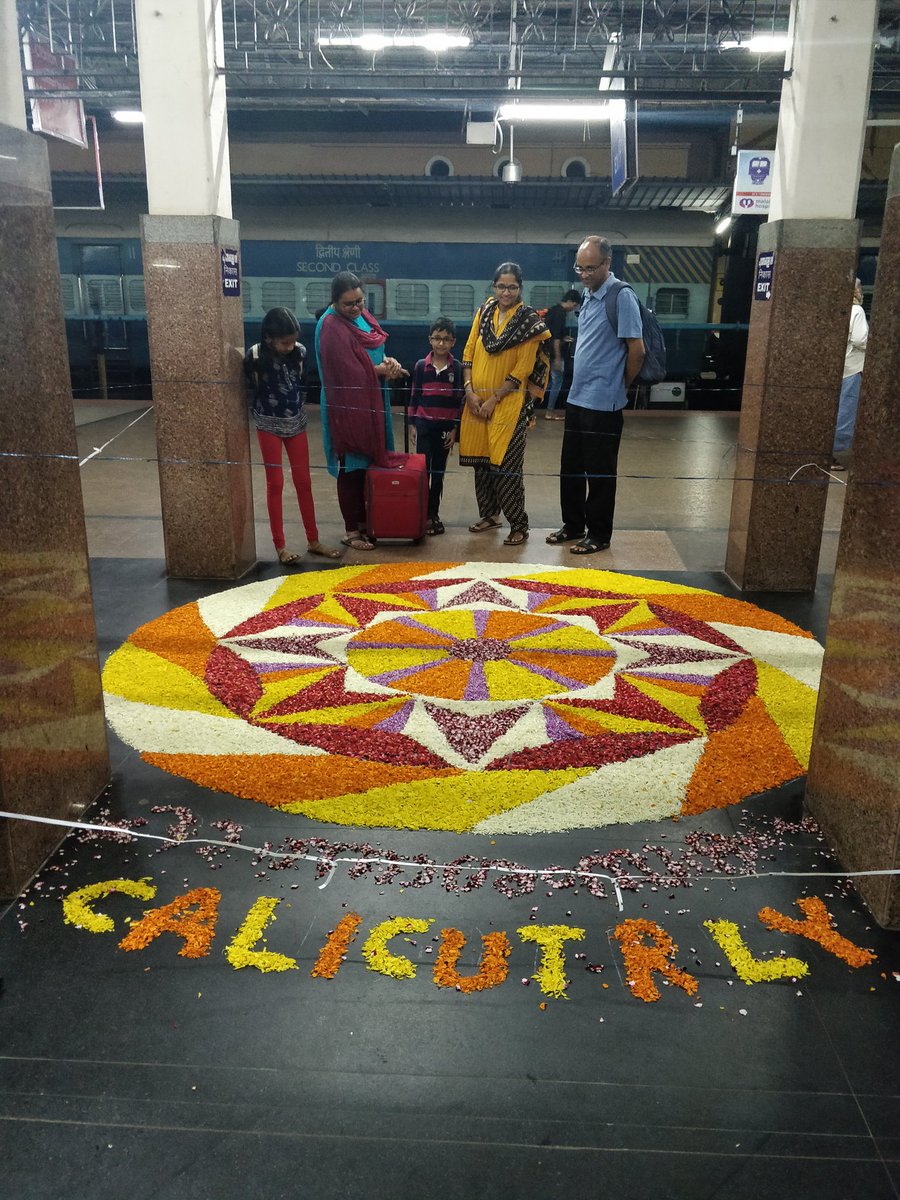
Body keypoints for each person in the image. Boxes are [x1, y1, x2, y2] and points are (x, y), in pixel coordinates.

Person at [546, 235, 644, 555]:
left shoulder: (621, 296)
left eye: (590, 268)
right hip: (577, 397)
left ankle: (599, 533)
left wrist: (621, 386)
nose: (584, 274)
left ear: (607, 263)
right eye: (580, 267)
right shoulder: (588, 295)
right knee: (571, 467)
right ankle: (573, 525)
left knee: (600, 472)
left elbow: (636, 350)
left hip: (604, 402)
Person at [458, 262, 551, 547]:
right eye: (501, 286)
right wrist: (469, 390)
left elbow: (522, 370)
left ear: (520, 288)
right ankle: (489, 515)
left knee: (507, 467)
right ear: (494, 286)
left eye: (512, 287)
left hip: (508, 405)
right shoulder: (484, 311)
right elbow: (470, 350)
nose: (506, 292)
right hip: (476, 402)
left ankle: (519, 525)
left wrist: (494, 400)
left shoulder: (528, 323)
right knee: (482, 464)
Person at [314, 272, 408, 551]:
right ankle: (352, 531)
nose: (356, 308)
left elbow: (374, 349)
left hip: (373, 400)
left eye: (360, 301)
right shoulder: (330, 326)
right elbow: (345, 372)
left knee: (368, 465)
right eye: (349, 304)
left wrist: (388, 363)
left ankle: (367, 523)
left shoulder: (362, 317)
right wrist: (379, 370)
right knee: (351, 466)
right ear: (334, 302)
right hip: (347, 407)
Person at [243, 307, 340, 565]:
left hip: (296, 422)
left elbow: (301, 383)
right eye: (284, 342)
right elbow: (252, 387)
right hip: (267, 424)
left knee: (303, 481)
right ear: (268, 339)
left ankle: (313, 539)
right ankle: (280, 546)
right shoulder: (254, 355)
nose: (289, 346)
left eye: (292, 341)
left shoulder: (300, 352)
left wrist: (296, 410)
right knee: (275, 484)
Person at [409, 317, 465, 535]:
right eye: (437, 338)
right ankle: (422, 515)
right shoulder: (421, 366)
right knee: (423, 472)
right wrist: (412, 424)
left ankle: (434, 514)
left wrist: (454, 429)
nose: (441, 343)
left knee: (438, 473)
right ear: (430, 340)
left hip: (444, 429)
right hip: (423, 426)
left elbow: (459, 400)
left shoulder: (457, 368)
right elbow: (415, 396)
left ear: (453, 342)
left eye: (446, 339)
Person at [831, 278, 868, 471]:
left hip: (837, 367)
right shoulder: (857, 311)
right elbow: (860, 339)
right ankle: (834, 453)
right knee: (845, 411)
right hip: (852, 368)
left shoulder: (836, 310)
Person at [543, 288, 581, 420]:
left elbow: (552, 333)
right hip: (554, 354)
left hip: (546, 352)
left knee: (547, 383)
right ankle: (550, 411)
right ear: (570, 301)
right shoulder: (560, 314)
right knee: (557, 381)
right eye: (574, 305)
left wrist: (564, 338)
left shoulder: (554, 310)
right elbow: (556, 339)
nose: (574, 308)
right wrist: (558, 358)